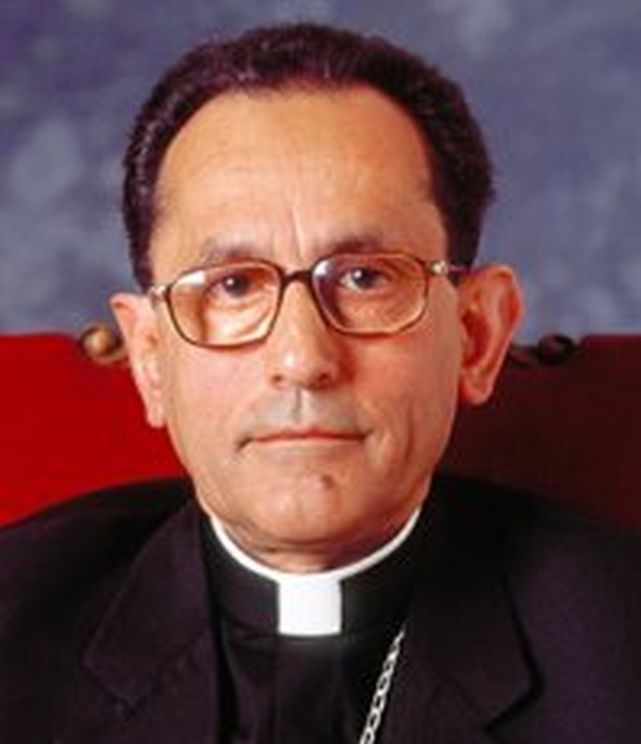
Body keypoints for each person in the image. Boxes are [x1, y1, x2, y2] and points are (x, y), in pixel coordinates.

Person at [1, 22, 640, 744]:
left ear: (475, 336)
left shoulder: (621, 650)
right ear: (151, 357)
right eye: (233, 286)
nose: (302, 358)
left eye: (365, 278)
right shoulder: (15, 623)